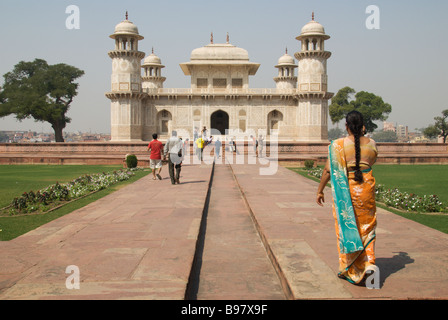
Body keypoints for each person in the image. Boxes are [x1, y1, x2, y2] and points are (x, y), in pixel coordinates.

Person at [316, 110, 379, 286]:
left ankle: (349, 269)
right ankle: (369, 262)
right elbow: (370, 161)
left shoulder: (338, 145)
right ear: (363, 126)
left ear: (346, 126)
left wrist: (320, 190)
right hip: (366, 188)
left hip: (347, 190)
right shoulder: (372, 144)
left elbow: (328, 170)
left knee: (347, 228)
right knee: (367, 226)